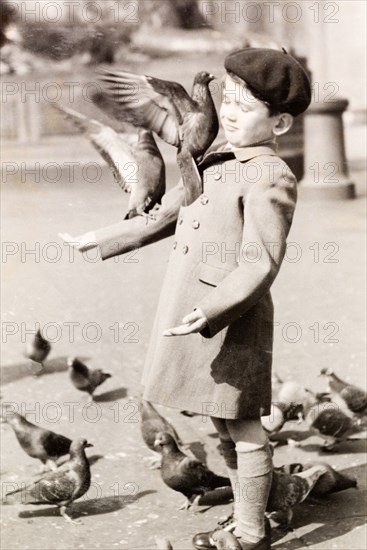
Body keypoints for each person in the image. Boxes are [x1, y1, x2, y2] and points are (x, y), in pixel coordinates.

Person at [60, 48, 311, 550]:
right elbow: (169, 211)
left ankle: (250, 532)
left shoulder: (271, 176)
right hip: (190, 313)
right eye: (230, 102)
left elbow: (261, 260)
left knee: (243, 424)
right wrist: (107, 236)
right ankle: (244, 515)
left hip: (230, 319)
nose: (232, 114)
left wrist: (215, 308)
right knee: (220, 419)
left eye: (247, 107)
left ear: (280, 123)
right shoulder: (217, 160)